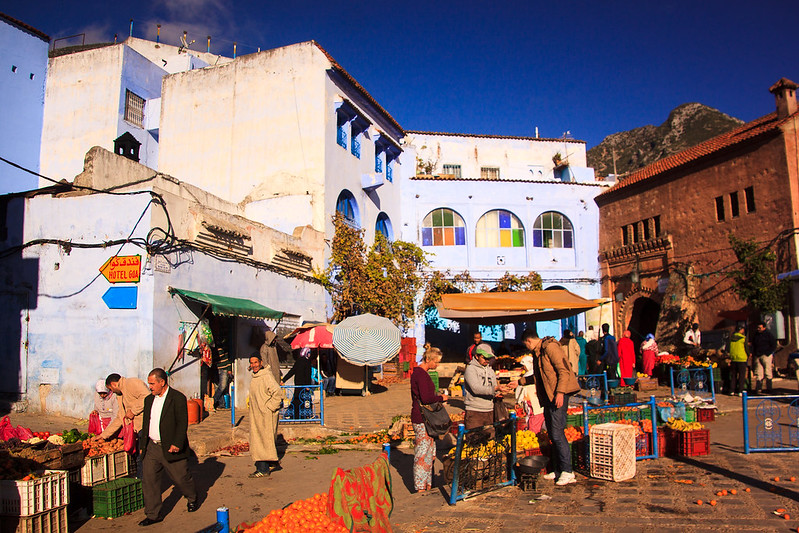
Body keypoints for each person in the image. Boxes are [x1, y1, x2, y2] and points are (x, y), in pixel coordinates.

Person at [138, 368, 198, 526]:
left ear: (161, 382)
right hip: (152, 446)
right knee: (149, 480)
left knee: (181, 477)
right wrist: (142, 445)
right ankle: (153, 514)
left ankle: (192, 497)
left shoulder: (177, 398)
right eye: (149, 383)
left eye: (152, 383)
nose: (149, 386)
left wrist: (177, 443)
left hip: (171, 446)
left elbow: (182, 422)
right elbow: (146, 423)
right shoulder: (148, 400)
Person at [521, 329, 581, 486]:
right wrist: (520, 382)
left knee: (557, 432)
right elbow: (538, 376)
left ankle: (568, 471)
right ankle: (558, 469)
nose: (527, 348)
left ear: (529, 341)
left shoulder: (550, 347)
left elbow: (564, 371)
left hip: (557, 395)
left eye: (526, 344)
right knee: (552, 433)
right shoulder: (538, 352)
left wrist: (560, 392)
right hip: (548, 397)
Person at [410, 345, 447, 492]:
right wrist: (441, 397)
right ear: (428, 359)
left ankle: (427, 484)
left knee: (429, 452)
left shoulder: (421, 373)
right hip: (422, 418)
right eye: (436, 362)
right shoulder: (421, 375)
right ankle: (420, 486)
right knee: (422, 453)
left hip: (425, 418)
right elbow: (426, 398)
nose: (437, 365)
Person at [248, 353, 286, 477]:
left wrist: (269, 408)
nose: (254, 365)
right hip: (257, 415)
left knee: (263, 440)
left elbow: (277, 392)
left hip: (266, 414)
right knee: (260, 440)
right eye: (252, 363)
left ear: (261, 363)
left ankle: (263, 468)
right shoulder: (255, 377)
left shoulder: (266, 376)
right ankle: (270, 462)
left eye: (256, 362)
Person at [98, 373, 151, 441]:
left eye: (111, 389)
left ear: (113, 384)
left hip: (145, 426)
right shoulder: (120, 395)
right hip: (135, 430)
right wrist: (103, 435)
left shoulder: (131, 383)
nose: (112, 392)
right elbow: (120, 417)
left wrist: (133, 411)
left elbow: (147, 396)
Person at [462, 343, 499, 431]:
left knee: (490, 440)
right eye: (484, 357)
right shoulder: (471, 369)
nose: (487, 360)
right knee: (474, 440)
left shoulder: (490, 370)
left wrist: (499, 392)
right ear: (477, 356)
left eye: (489, 358)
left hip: (489, 410)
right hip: (474, 411)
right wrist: (495, 389)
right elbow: (476, 389)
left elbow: (494, 386)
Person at [514, 355, 545, 433]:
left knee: (533, 425)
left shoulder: (529, 376)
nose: (523, 368)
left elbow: (522, 390)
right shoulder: (534, 374)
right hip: (534, 406)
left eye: (524, 366)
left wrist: (518, 401)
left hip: (534, 405)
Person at [282, 348, 314, 419]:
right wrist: (308, 385)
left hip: (298, 384)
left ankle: (291, 414)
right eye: (309, 353)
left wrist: (284, 380)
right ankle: (308, 415)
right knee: (306, 400)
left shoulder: (298, 361)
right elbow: (307, 375)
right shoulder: (307, 362)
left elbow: (292, 371)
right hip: (305, 385)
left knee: (296, 399)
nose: (310, 354)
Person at [751, 321, 777, 394]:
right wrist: (754, 353)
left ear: (764, 328)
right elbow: (753, 344)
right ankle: (758, 388)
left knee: (768, 371)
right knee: (759, 373)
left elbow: (774, 345)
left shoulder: (768, 335)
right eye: (758, 327)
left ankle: (769, 388)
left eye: (760, 328)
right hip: (758, 355)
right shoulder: (756, 335)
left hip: (766, 355)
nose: (758, 329)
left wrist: (768, 353)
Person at [728, 325, 749, 396]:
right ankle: (740, 391)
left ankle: (732, 390)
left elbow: (728, 348)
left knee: (733, 376)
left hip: (733, 358)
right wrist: (748, 354)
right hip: (742, 358)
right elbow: (746, 348)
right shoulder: (743, 338)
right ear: (741, 330)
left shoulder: (731, 338)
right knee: (741, 376)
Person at [212, 335, 233, 409]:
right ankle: (222, 404)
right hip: (216, 369)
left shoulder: (224, 349)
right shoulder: (213, 350)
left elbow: (228, 360)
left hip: (224, 369)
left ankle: (213, 401)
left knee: (222, 386)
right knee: (218, 387)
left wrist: (229, 370)